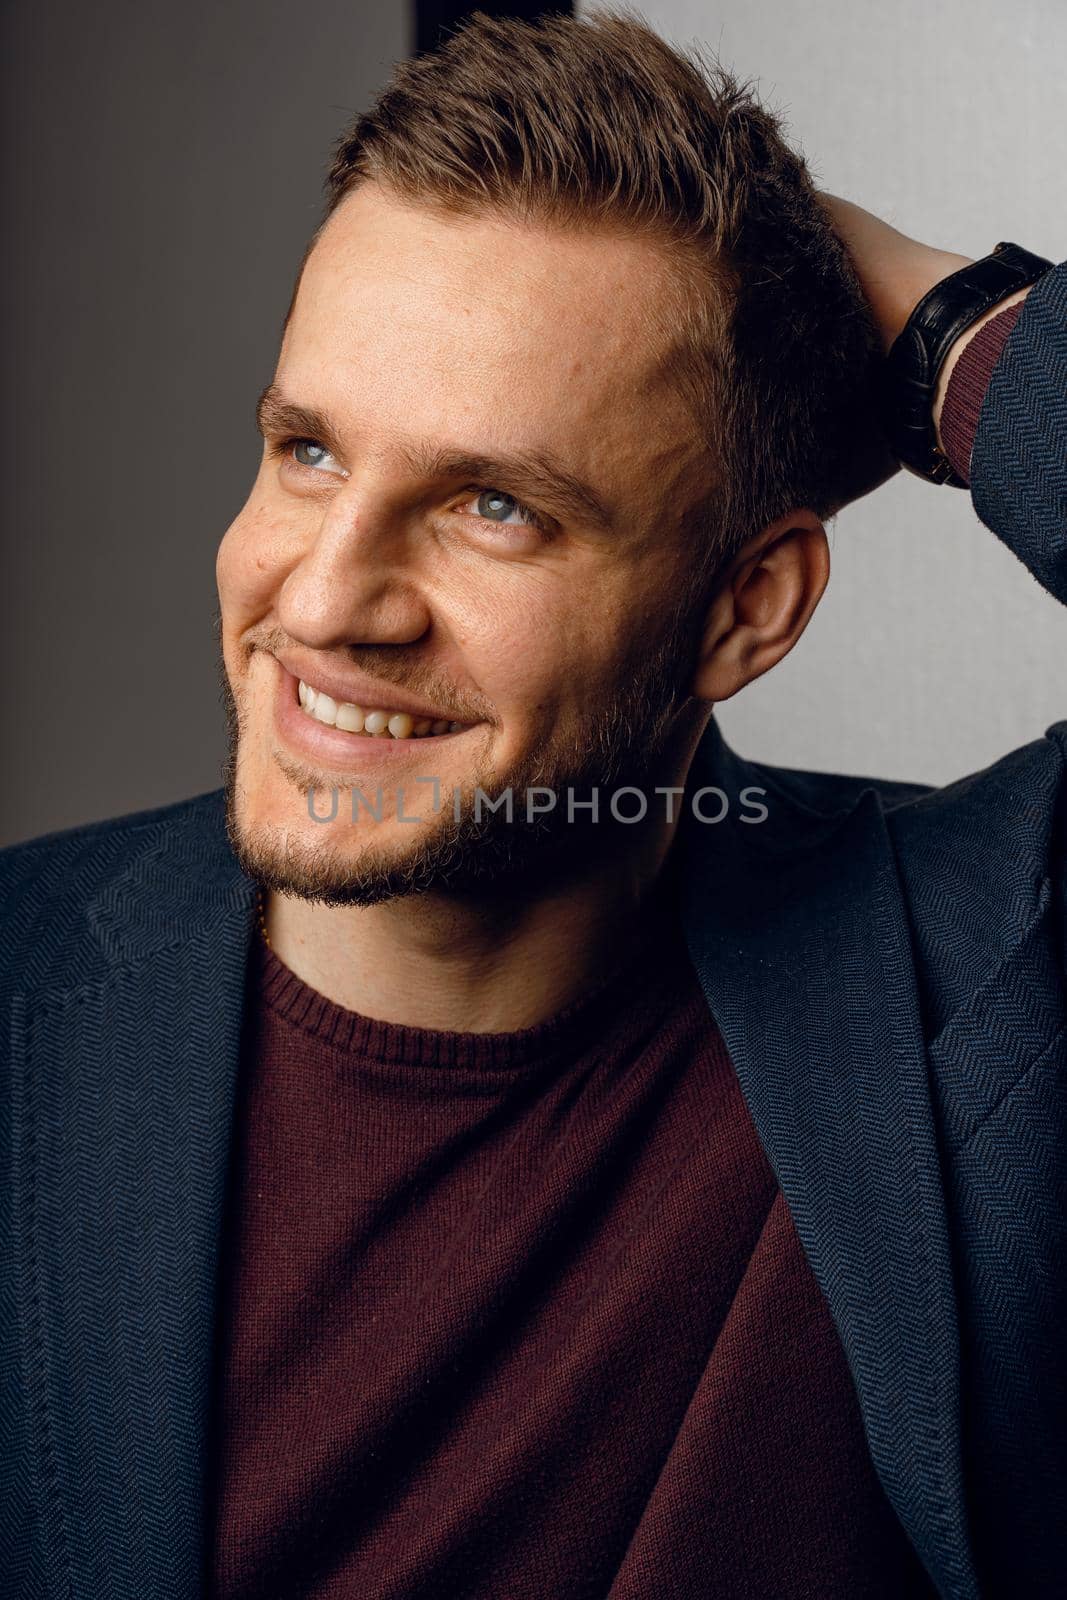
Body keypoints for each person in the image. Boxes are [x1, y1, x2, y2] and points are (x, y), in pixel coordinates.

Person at [2, 12, 1063, 1599]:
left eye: (492, 504)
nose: (329, 597)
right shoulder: (24, 995)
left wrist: (943, 324)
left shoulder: (974, 990)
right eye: (305, 452)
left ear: (748, 609)